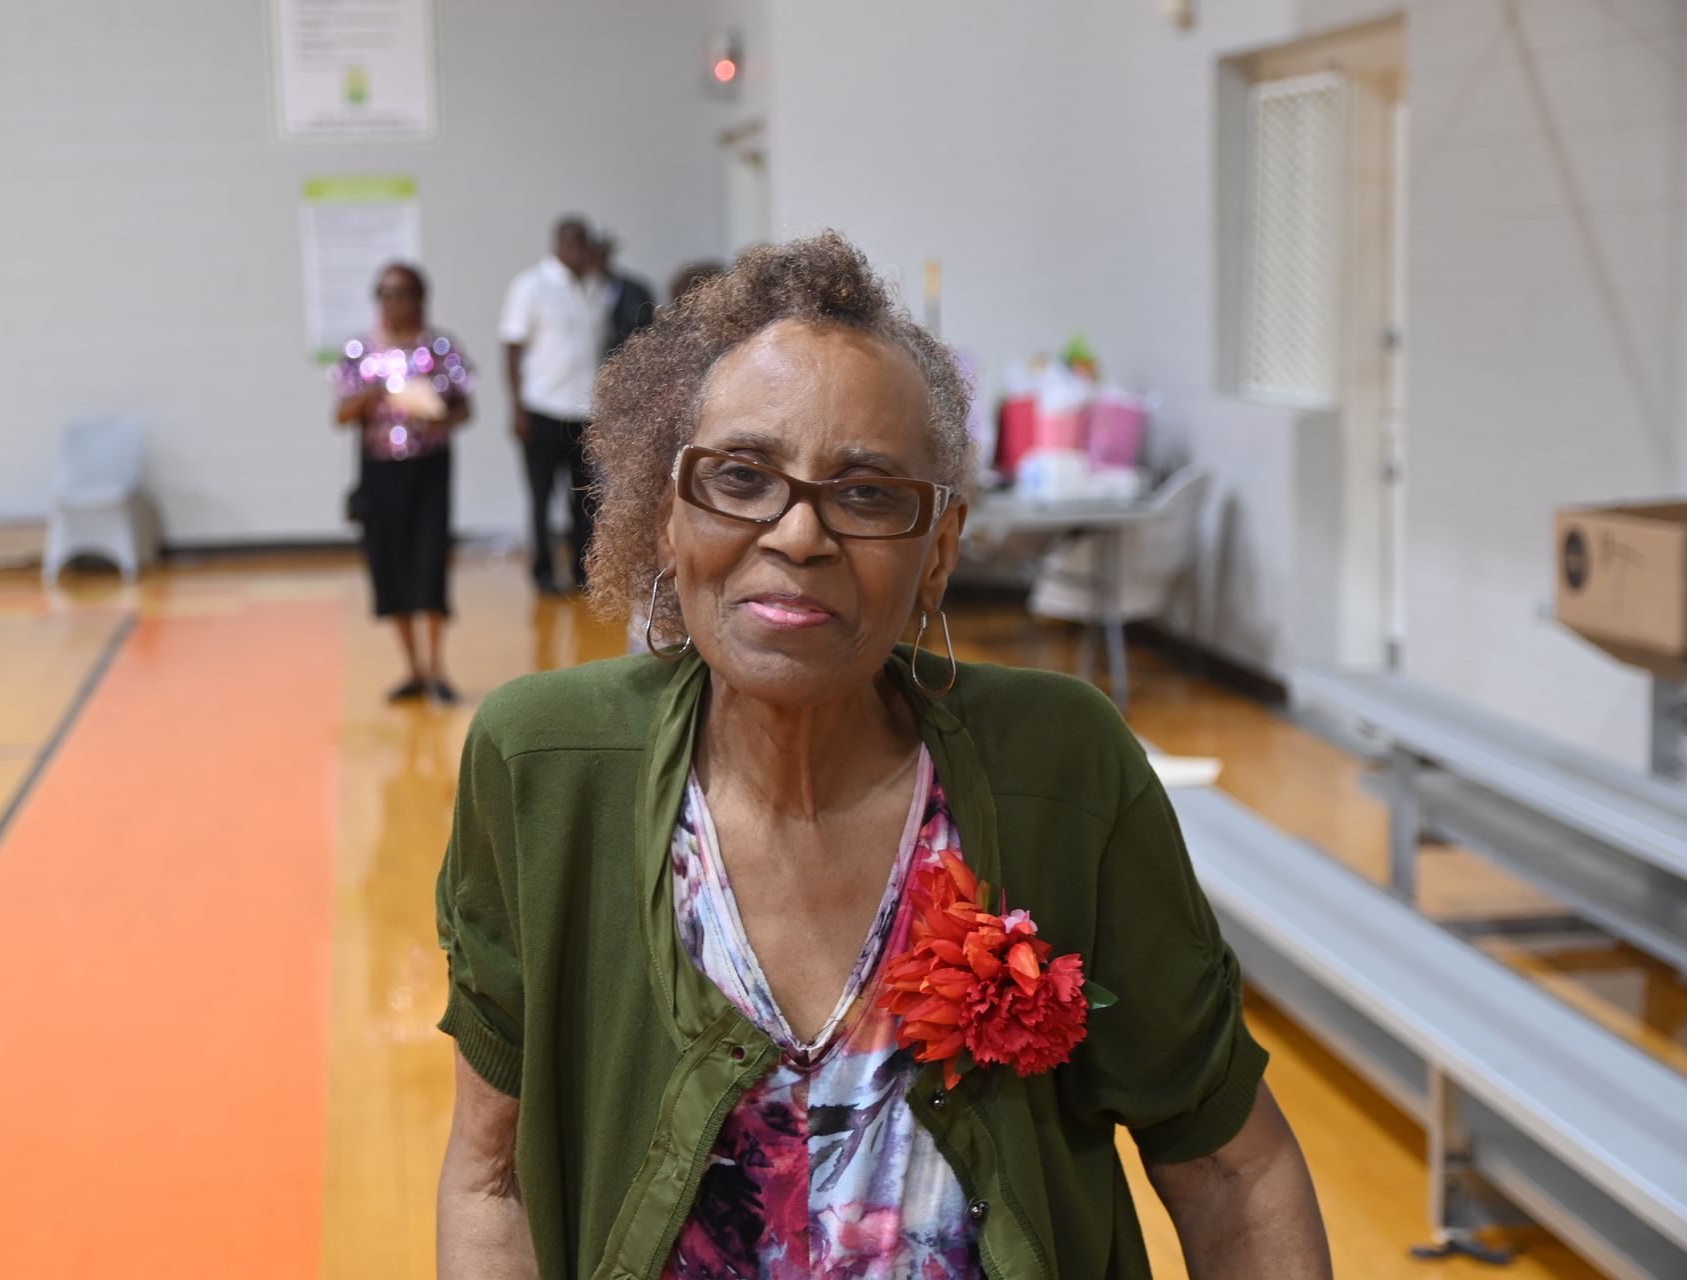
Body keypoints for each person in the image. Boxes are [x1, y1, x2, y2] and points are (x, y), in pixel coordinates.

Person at [435, 232, 1332, 1278]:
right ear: (669, 517)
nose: (798, 534)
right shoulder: (545, 765)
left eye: (866, 494)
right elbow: (491, 1179)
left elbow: (1232, 1171)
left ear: (938, 553)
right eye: (741, 477)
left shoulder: (1059, 767)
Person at [332, 262, 472, 705]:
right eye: (386, 294)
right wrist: (373, 394)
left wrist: (435, 414)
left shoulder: (439, 348)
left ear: (420, 298)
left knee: (430, 561)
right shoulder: (360, 351)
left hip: (429, 467)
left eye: (403, 293)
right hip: (379, 471)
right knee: (389, 564)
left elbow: (464, 408)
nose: (394, 302)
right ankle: (412, 668)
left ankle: (436, 668)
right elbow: (340, 415)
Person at [500, 216, 603, 595]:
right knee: (542, 497)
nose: (577, 248)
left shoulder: (595, 285)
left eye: (583, 241)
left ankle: (582, 571)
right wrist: (517, 407)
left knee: (584, 499)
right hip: (542, 409)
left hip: (585, 412)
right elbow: (511, 348)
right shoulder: (531, 286)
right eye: (570, 241)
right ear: (557, 243)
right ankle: (543, 571)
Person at [590, 228, 656, 357]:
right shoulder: (578, 294)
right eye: (594, 256)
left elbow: (649, 329)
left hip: (630, 360)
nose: (599, 260)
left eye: (602, 255)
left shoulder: (636, 292)